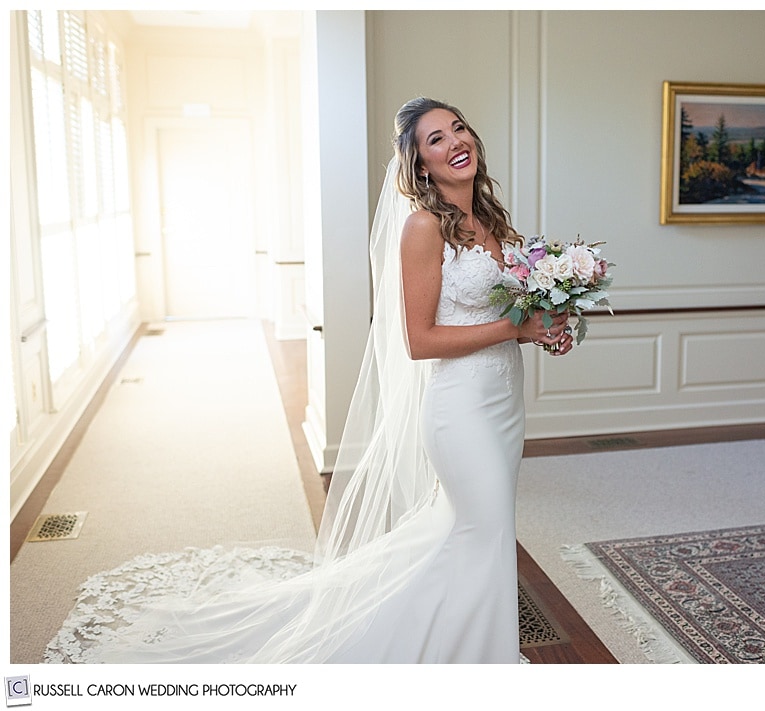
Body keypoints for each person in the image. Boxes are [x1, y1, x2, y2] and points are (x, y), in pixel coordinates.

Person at [44, 97, 571, 664]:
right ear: (420, 165)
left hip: (503, 402)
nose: (455, 141)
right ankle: (475, 662)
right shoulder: (423, 227)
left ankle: (457, 642)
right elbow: (420, 341)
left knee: (468, 530)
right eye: (435, 139)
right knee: (484, 531)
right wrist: (514, 329)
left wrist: (545, 328)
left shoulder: (492, 222)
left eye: (459, 128)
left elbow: (508, 317)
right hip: (460, 409)